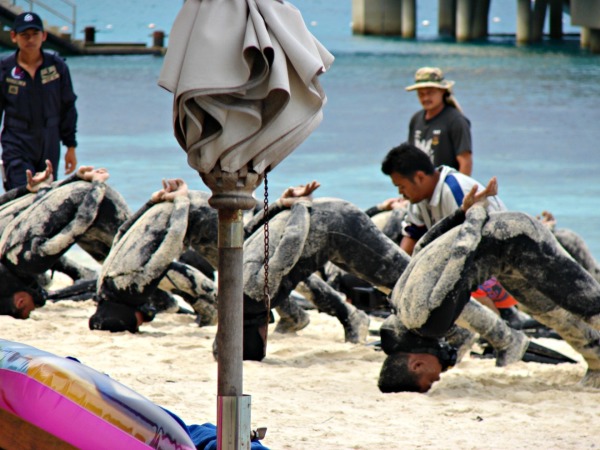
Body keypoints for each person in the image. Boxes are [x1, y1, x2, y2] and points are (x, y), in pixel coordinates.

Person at [378, 196, 600, 393]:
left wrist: (475, 212)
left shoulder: (428, 322)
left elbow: (461, 254)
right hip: (503, 256)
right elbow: (422, 248)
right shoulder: (397, 303)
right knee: (548, 313)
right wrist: (459, 214)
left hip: (518, 237)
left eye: (430, 381)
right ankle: (597, 365)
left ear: (417, 365)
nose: (438, 378)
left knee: (586, 302)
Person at [89, 179, 218, 332]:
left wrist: (182, 199)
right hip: (180, 208)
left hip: (198, 214)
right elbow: (121, 233)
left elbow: (174, 238)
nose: (141, 323)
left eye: (136, 325)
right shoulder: (103, 285)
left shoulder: (134, 289)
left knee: (225, 293)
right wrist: (151, 202)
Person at [0, 12, 78, 191]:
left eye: (35, 34)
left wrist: (70, 146)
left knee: (46, 195)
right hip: (16, 140)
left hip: (49, 139)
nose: (30, 40)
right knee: (20, 192)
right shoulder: (5, 69)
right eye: (24, 35)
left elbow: (68, 106)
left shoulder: (57, 67)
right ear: (14, 37)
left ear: (43, 36)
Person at [405, 67, 472, 175]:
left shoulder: (456, 121)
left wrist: (460, 190)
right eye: (421, 94)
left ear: (442, 91)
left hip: (446, 187)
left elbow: (465, 161)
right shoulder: (416, 119)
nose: (425, 98)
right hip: (422, 189)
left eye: (430, 93)